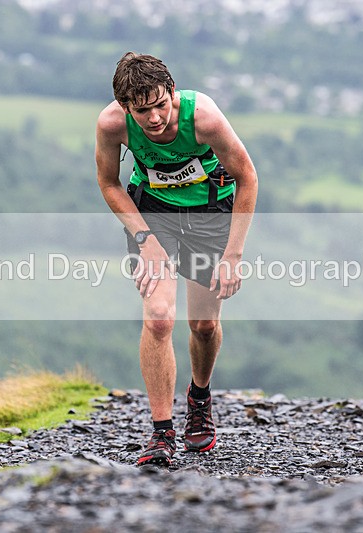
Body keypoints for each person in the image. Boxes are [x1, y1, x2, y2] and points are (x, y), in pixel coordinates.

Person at [95, 52, 258, 466]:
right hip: (154, 216)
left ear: (172, 92)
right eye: (142, 110)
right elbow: (109, 183)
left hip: (210, 214)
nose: (153, 119)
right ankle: (161, 432)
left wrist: (233, 255)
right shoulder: (112, 125)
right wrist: (145, 238)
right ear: (126, 107)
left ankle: (199, 397)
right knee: (160, 318)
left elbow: (247, 177)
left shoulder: (203, 118)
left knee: (203, 325)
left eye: (161, 105)